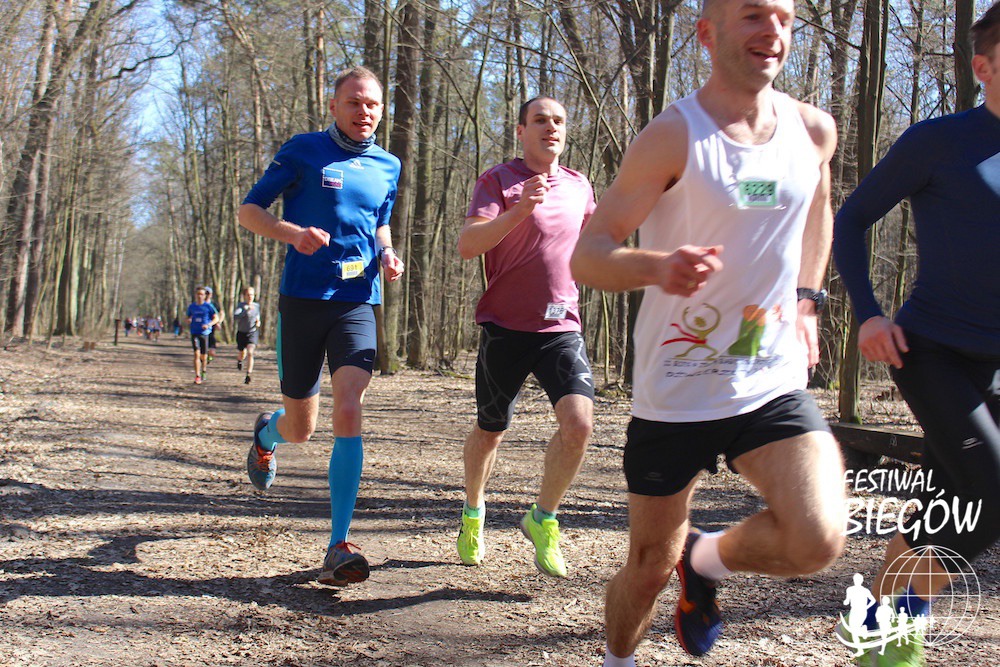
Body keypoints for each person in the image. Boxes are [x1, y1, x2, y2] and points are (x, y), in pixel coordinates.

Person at [570, 0, 846, 663]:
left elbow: (819, 208)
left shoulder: (813, 131)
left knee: (816, 538)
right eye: (752, 15)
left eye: (783, 18)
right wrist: (657, 266)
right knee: (647, 567)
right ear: (706, 33)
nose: (772, 30)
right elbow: (589, 255)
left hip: (767, 374)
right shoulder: (674, 135)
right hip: (679, 385)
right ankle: (618, 657)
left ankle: (705, 558)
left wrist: (807, 298)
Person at [832, 4, 1000, 665]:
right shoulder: (939, 141)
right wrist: (869, 313)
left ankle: (875, 633)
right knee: (992, 490)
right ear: (983, 67)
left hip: (995, 364)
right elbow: (852, 219)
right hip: (929, 348)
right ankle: (895, 625)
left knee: (945, 500)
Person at [237, 66, 404, 588]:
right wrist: (292, 234)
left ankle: (339, 544)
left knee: (349, 405)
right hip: (304, 301)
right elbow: (249, 211)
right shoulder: (303, 150)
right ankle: (267, 434)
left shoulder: (389, 165)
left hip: (358, 300)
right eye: (353, 102)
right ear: (334, 106)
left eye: (372, 104)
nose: (363, 111)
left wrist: (388, 251)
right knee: (302, 428)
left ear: (381, 110)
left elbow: (380, 220)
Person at [455, 96, 596, 578]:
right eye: (540, 120)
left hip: (561, 327)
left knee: (579, 426)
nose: (550, 127)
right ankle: (473, 511)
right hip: (505, 328)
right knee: (490, 430)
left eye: (558, 120)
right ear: (521, 131)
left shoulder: (579, 185)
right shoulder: (498, 180)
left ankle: (543, 518)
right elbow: (468, 245)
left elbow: (596, 244)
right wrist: (518, 210)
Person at [187, 287, 220, 385]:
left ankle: (204, 370)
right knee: (196, 354)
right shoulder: (192, 307)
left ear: (205, 296)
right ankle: (197, 376)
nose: (199, 296)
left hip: (205, 333)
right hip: (194, 332)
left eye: (201, 294)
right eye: (198, 294)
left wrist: (209, 325)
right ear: (195, 295)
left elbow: (216, 318)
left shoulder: (208, 306)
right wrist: (188, 320)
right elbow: (187, 317)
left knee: (204, 356)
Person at [234, 286, 262, 384]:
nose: (250, 297)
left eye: (252, 295)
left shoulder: (256, 306)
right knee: (242, 353)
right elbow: (236, 316)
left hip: (252, 332)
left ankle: (248, 374)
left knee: (250, 352)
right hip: (242, 333)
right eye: (248, 295)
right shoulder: (240, 306)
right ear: (244, 296)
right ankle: (240, 360)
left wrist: (258, 322)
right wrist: (245, 310)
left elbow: (257, 316)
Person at [204, 287, 223, 364]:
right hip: (201, 327)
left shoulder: (213, 304)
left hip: (212, 326)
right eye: (205, 293)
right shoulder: (199, 304)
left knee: (211, 346)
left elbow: (221, 313)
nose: (206, 295)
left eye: (208, 293)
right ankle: (204, 356)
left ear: (211, 294)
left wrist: (219, 322)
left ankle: (209, 355)